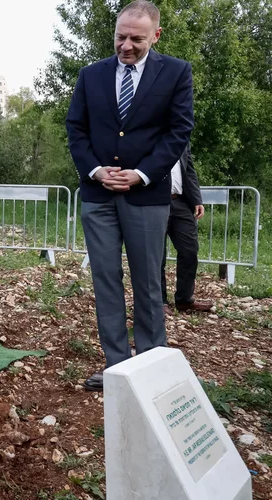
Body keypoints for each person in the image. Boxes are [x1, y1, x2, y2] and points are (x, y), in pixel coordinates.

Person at [66, 0, 193, 391]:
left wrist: (140, 174)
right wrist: (95, 170)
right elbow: (76, 128)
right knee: (105, 279)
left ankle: (153, 365)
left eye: (136, 39)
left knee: (148, 284)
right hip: (98, 194)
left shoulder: (175, 73)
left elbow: (178, 131)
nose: (126, 46)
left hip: (147, 196)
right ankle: (117, 368)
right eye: (121, 36)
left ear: (155, 35)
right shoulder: (91, 75)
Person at [162, 145, 213, 314]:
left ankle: (184, 300)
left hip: (180, 202)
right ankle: (158, 301)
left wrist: (197, 200)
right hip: (154, 203)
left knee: (190, 250)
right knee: (156, 255)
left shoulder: (181, 137)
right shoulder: (148, 131)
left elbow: (188, 169)